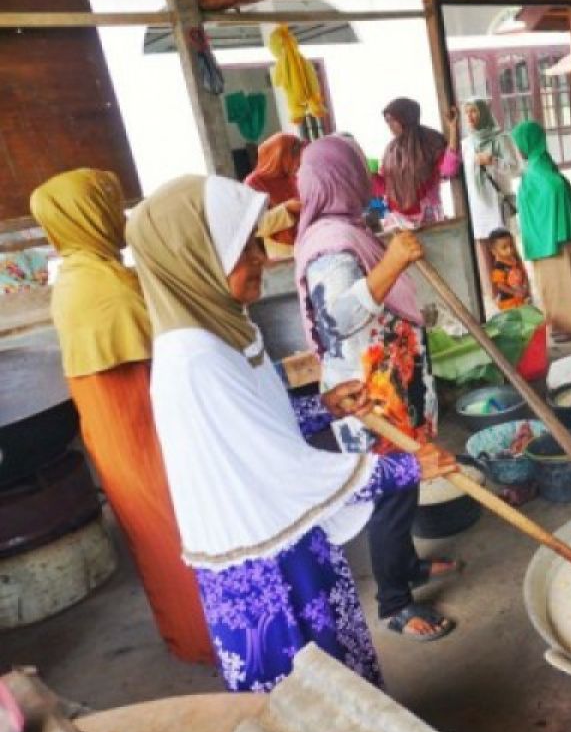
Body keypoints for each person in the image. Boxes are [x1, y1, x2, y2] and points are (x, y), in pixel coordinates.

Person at [125, 174, 456, 691]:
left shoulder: (224, 327)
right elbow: (278, 467)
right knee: (306, 692)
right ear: (192, 261)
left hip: (288, 534)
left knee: (338, 676)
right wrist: (406, 466)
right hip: (262, 564)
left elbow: (255, 428)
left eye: (257, 243)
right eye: (241, 249)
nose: (261, 258)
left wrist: (323, 407)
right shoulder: (194, 359)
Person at [29, 169, 212, 665]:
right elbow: (167, 355)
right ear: (88, 216)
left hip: (121, 426)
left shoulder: (83, 273)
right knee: (180, 531)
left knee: (158, 533)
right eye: (109, 204)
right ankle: (209, 636)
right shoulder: (103, 287)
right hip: (141, 424)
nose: (121, 215)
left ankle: (194, 633)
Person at [294, 135, 460, 642]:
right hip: (370, 401)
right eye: (356, 170)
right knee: (390, 497)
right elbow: (336, 318)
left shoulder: (346, 229)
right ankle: (395, 603)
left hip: (389, 387)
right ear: (340, 178)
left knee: (403, 490)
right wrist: (391, 265)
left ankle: (406, 566)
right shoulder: (329, 244)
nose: (366, 180)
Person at [511, 120, 571, 342]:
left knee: (556, 283)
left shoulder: (537, 170)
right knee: (565, 280)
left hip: (548, 237)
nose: (518, 150)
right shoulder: (542, 163)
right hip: (554, 232)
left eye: (519, 144)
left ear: (527, 143)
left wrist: (548, 221)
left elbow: (553, 188)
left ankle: (566, 326)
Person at [380, 97, 461, 229]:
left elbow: (449, 169)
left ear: (405, 118)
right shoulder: (390, 151)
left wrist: (453, 130)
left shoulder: (430, 142)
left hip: (427, 220)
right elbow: (384, 184)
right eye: (387, 121)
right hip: (398, 223)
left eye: (393, 120)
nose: (389, 125)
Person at [461, 98, 521, 238]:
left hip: (497, 203)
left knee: (505, 249)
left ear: (484, 113)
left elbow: (515, 169)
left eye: (474, 111)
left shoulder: (501, 139)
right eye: (466, 112)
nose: (469, 116)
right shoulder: (466, 145)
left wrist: (493, 161)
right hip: (477, 207)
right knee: (484, 252)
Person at [244, 132, 305, 249]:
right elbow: (254, 227)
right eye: (296, 158)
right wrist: (286, 208)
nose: (299, 163)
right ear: (279, 156)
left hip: (304, 242)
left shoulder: (292, 177)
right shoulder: (253, 183)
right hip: (279, 252)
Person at [486, 228, 530, 310]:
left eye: (511, 245)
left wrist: (525, 287)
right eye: (504, 248)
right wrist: (514, 292)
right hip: (508, 303)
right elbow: (500, 285)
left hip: (520, 300)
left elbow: (523, 274)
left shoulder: (514, 260)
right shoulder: (498, 267)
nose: (509, 250)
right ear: (494, 251)